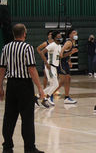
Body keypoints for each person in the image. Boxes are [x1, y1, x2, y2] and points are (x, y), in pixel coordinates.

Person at [0, 24, 45, 153]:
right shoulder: (27, 47)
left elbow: (2, 68)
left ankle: (7, 147)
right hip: (24, 85)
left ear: (14, 34)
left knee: (9, 117)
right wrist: (40, 88)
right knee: (27, 118)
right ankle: (29, 148)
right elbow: (31, 68)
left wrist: (0, 87)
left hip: (11, 85)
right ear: (24, 33)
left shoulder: (6, 47)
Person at [38, 31, 63, 106]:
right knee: (56, 85)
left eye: (60, 36)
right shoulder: (52, 45)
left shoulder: (59, 46)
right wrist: (46, 63)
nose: (60, 37)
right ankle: (45, 99)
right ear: (54, 38)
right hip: (50, 67)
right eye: (58, 36)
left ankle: (36, 97)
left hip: (54, 68)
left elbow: (59, 57)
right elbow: (42, 52)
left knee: (52, 85)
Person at [58, 29, 79, 104]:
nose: (75, 34)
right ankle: (48, 96)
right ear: (69, 35)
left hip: (66, 62)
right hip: (61, 62)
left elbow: (68, 54)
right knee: (62, 81)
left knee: (68, 78)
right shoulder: (69, 42)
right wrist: (61, 55)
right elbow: (62, 51)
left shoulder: (73, 42)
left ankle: (66, 97)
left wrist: (69, 61)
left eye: (76, 33)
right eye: (73, 33)